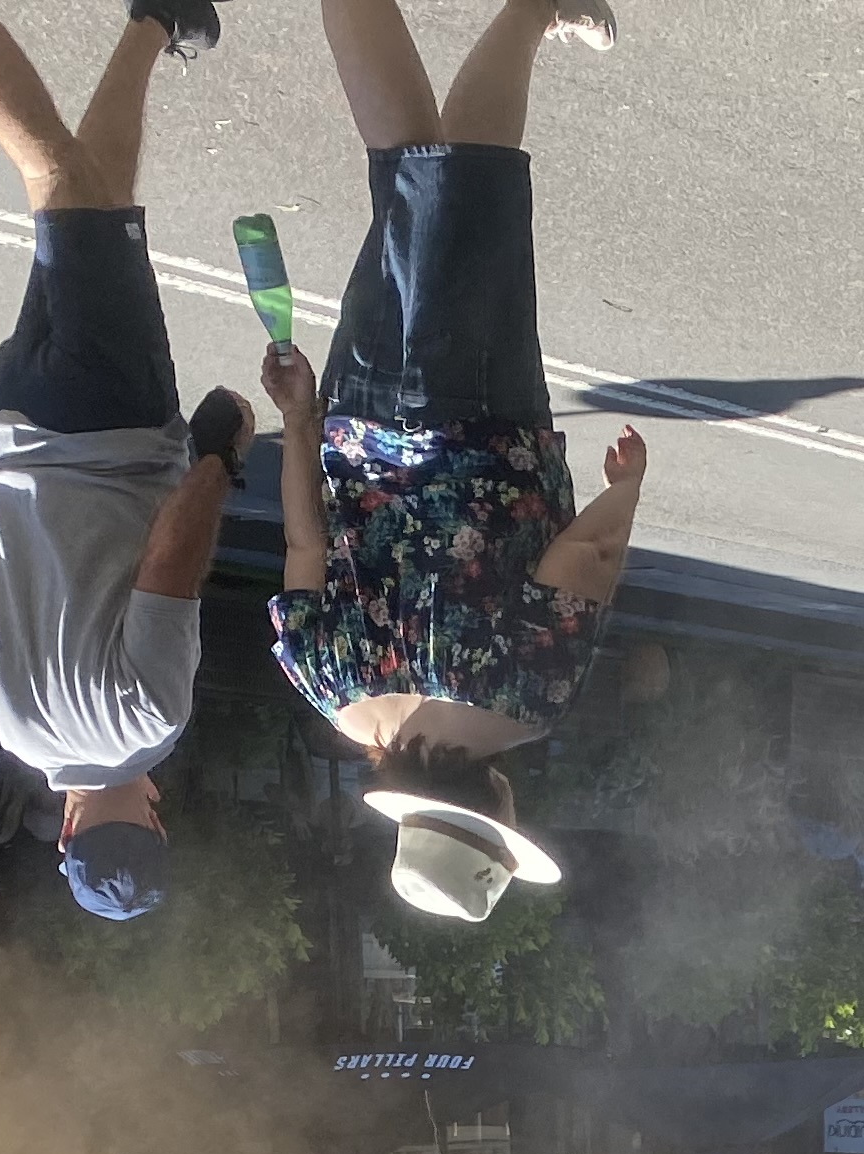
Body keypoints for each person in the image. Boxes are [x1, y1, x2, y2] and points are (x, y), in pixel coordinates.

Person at [258, 0, 648, 924]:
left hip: (477, 415)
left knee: (469, 186)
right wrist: (304, 419)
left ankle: (530, 9)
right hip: (356, 415)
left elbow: (578, 567)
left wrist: (623, 493)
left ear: (494, 816)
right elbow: (304, 543)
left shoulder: (522, 701)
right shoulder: (333, 698)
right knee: (410, 181)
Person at [0, 0, 254, 921]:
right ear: (66, 832)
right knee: (95, 208)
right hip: (16, 429)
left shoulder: (151, 727)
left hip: (110, 421)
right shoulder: (13, 729)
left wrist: (221, 459)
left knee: (59, 186)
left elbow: (167, 572)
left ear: (156, 827)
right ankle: (156, 25)